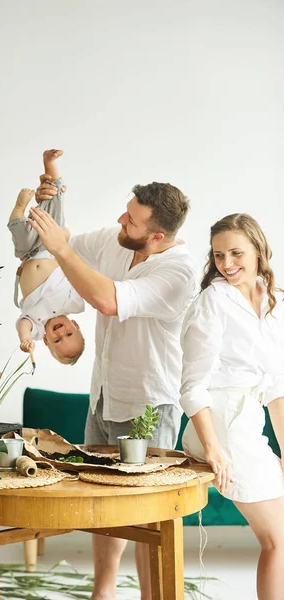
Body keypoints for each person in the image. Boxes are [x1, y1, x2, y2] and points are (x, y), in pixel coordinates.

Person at [29, 175, 198, 600]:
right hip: (103, 397)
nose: (121, 219)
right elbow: (56, 243)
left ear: (157, 236)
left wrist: (61, 249)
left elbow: (109, 299)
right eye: (127, 210)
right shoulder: (116, 240)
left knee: (145, 515)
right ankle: (102, 592)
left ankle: (151, 595)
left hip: (148, 406)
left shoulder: (178, 271)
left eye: (133, 219)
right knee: (104, 505)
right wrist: (49, 197)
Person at [180, 213, 284, 600]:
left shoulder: (273, 300)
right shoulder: (213, 301)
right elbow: (192, 386)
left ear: (258, 250)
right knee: (278, 538)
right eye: (218, 255)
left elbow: (276, 388)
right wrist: (213, 449)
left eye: (236, 253)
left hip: (249, 420)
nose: (226, 264)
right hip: (219, 421)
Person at [7, 150, 85, 365]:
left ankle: (19, 207)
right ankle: (50, 164)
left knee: (19, 231)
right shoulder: (75, 303)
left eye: (57, 340)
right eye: (69, 334)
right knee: (55, 202)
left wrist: (24, 340)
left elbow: (22, 323)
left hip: (26, 255)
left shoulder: (36, 326)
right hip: (50, 246)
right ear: (76, 326)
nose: (61, 332)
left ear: (46, 341)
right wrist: (64, 239)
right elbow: (78, 271)